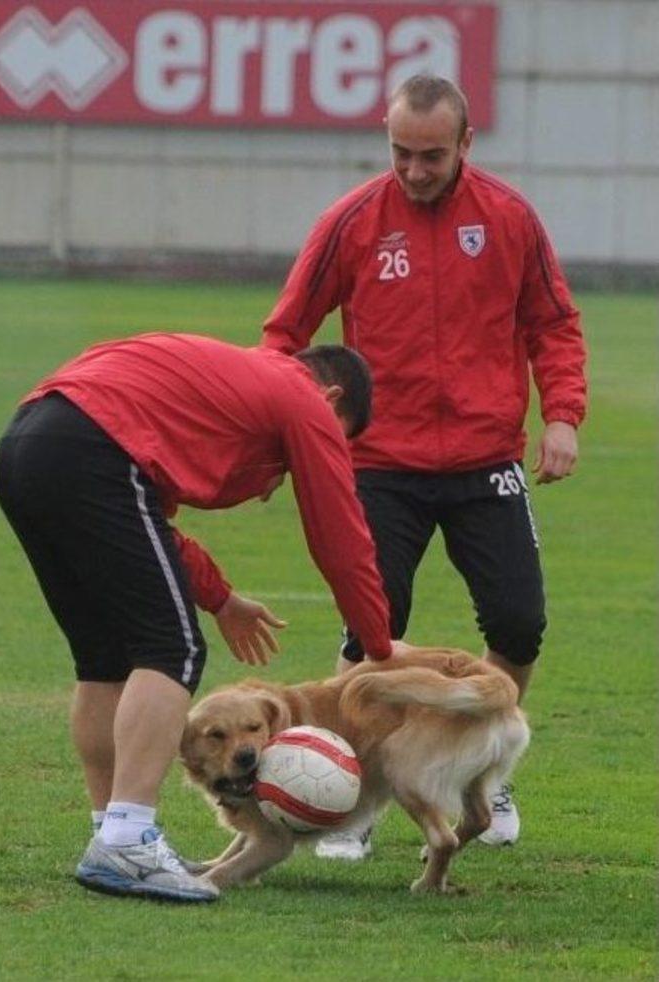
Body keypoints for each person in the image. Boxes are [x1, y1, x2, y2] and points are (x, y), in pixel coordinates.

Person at [262, 74, 587, 858]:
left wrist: (563, 415)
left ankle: (483, 774)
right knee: (372, 629)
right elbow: (285, 334)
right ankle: (350, 792)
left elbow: (553, 323)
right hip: (379, 463)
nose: (414, 169)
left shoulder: (509, 218)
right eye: (400, 152)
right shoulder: (352, 222)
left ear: (466, 143)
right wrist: (272, 436)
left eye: (431, 155)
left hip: (487, 459)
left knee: (518, 623)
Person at [0, 332, 402, 903]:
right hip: (92, 448)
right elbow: (340, 536)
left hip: (25, 444)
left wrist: (222, 599)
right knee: (172, 649)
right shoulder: (301, 397)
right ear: (330, 399)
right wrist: (378, 647)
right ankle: (128, 839)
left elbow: (148, 525)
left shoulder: (233, 382)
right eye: (337, 438)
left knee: (104, 660)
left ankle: (111, 834)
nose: (298, 463)